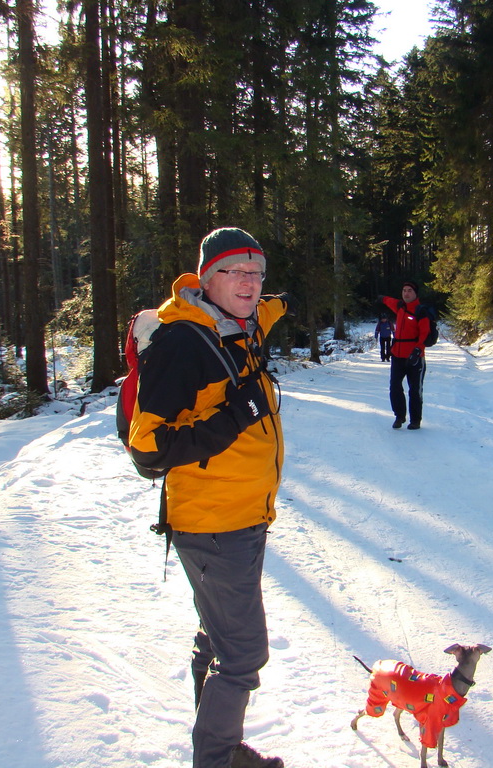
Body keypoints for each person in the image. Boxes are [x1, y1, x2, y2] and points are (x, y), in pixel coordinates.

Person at [127, 227, 288, 768]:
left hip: (241, 519)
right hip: (214, 525)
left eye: (257, 272)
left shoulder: (242, 322)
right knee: (244, 654)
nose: (249, 283)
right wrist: (235, 417)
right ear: (205, 279)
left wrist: (279, 302)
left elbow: (268, 309)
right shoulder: (184, 342)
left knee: (218, 638)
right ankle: (217, 759)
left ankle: (215, 742)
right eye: (235, 271)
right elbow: (147, 450)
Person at [381, 281, 431, 430]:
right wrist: (382, 298)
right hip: (397, 355)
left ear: (415, 293)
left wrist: (417, 350)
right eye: (404, 290)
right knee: (395, 387)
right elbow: (389, 301)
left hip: (414, 357)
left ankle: (415, 420)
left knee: (415, 390)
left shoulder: (421, 311)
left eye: (409, 290)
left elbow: (425, 333)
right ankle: (399, 416)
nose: (406, 293)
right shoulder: (400, 306)